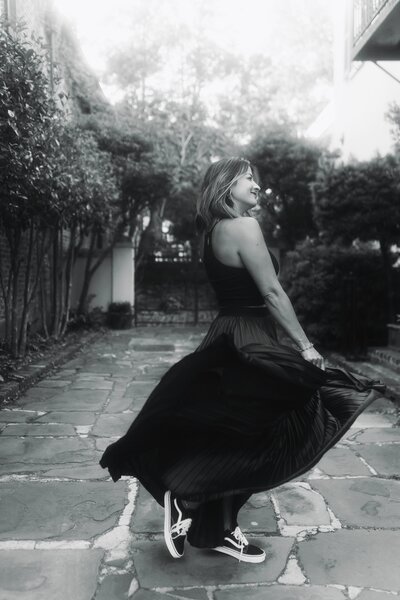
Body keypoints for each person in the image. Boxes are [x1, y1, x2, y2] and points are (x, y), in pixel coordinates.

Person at [99, 157, 386, 564]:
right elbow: (270, 292)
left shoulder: (214, 232)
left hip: (227, 334)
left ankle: (214, 523)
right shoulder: (244, 226)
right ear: (225, 186)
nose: (256, 185)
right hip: (250, 338)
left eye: (255, 178)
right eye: (247, 178)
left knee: (235, 432)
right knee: (280, 425)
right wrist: (305, 346)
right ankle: (189, 497)